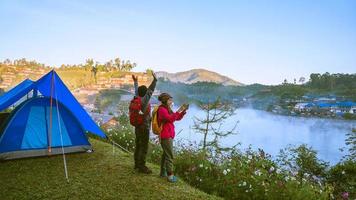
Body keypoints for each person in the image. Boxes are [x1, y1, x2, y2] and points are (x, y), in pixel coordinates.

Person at [157, 93, 188, 183]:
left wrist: (182, 112)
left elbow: (175, 118)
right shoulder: (162, 110)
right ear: (165, 100)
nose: (171, 101)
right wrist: (179, 111)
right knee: (170, 156)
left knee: (165, 154)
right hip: (165, 135)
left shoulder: (167, 109)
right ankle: (170, 176)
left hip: (168, 134)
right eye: (170, 100)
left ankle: (163, 173)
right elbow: (170, 118)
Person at [131, 72, 157, 174]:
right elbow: (150, 91)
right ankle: (142, 167)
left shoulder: (136, 99)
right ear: (145, 94)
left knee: (138, 144)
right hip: (144, 127)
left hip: (137, 126)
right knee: (144, 147)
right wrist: (155, 80)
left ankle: (137, 164)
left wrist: (135, 82)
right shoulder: (144, 101)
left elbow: (136, 91)